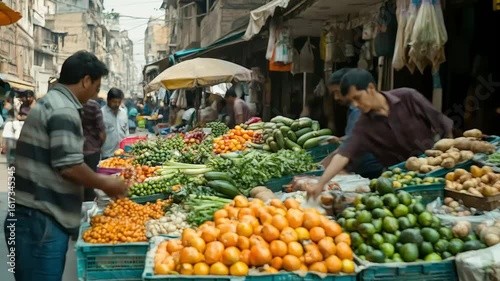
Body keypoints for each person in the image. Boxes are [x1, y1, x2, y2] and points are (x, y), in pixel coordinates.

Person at [5, 50, 128, 281]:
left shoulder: (53, 101)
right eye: (96, 86)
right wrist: (107, 184)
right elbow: (69, 165)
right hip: (41, 217)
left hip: (33, 214)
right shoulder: (64, 109)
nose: (96, 93)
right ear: (86, 80)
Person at [308, 68, 453, 198]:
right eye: (351, 101)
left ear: (370, 88)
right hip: (399, 186)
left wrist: (451, 160)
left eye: (357, 98)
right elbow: (344, 154)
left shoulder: (408, 97)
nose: (355, 105)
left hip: (434, 174)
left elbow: (442, 124)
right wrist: (320, 183)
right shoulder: (363, 125)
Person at [321, 68, 385, 179]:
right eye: (333, 93)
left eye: (337, 92)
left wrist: (323, 165)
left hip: (370, 170)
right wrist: (342, 139)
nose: (336, 97)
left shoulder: (358, 109)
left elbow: (351, 147)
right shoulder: (355, 108)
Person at [82, 97, 107, 201]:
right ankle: (88, 207)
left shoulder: (66, 103)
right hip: (91, 151)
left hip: (73, 151)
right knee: (90, 183)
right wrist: (98, 147)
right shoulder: (93, 105)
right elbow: (102, 132)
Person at [101, 88, 129, 159]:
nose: (117, 104)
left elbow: (126, 131)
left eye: (119, 102)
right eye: (114, 102)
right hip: (107, 154)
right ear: (108, 100)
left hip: (123, 153)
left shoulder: (123, 112)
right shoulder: (101, 113)